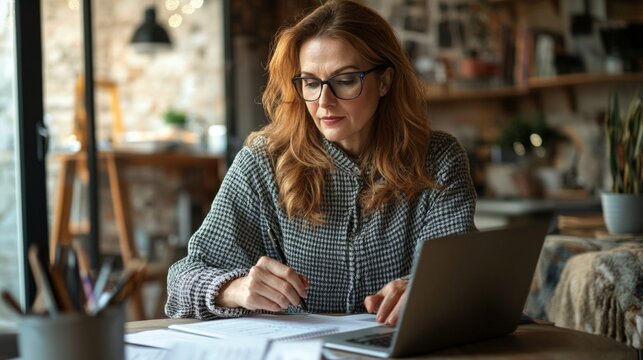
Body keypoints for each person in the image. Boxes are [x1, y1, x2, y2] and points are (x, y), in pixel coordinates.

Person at [166, 0, 476, 325]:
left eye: (344, 81)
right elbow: (180, 282)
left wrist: (423, 289)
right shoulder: (264, 163)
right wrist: (236, 288)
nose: (324, 102)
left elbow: (462, 275)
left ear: (384, 81)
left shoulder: (438, 158)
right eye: (311, 83)